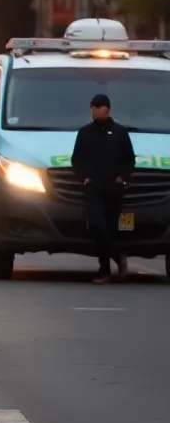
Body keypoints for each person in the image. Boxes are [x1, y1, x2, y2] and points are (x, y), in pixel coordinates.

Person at [71, 93, 135, 284]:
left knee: (111, 228)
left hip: (114, 189)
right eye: (91, 107)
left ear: (105, 109)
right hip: (93, 189)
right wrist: (84, 178)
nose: (92, 110)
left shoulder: (119, 133)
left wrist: (121, 177)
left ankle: (105, 270)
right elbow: (76, 159)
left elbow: (129, 159)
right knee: (97, 225)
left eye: (95, 107)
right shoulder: (85, 133)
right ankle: (116, 257)